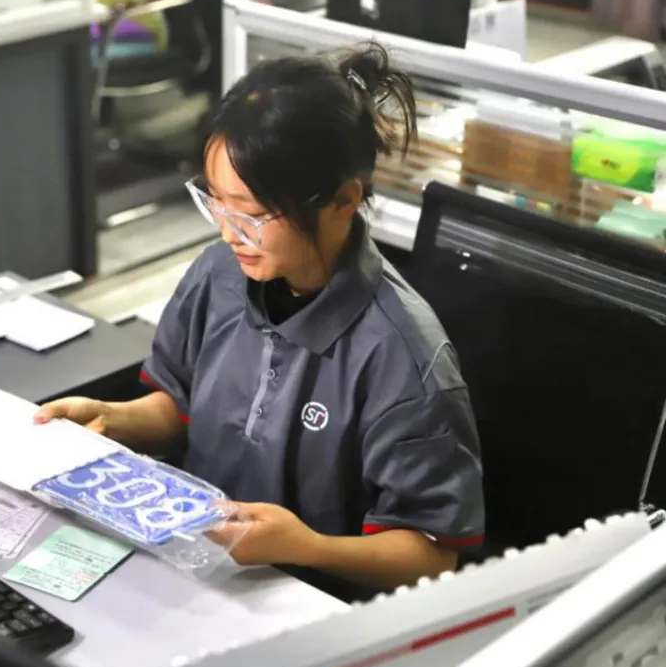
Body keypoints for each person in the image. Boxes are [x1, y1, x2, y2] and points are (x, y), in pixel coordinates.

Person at [35, 42, 485, 601]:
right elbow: (182, 409)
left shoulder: (403, 358)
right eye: (216, 204)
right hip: (192, 567)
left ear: (343, 201)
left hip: (305, 598)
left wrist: (305, 547)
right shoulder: (219, 274)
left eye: (251, 214)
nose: (229, 234)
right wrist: (112, 418)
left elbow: (431, 557)